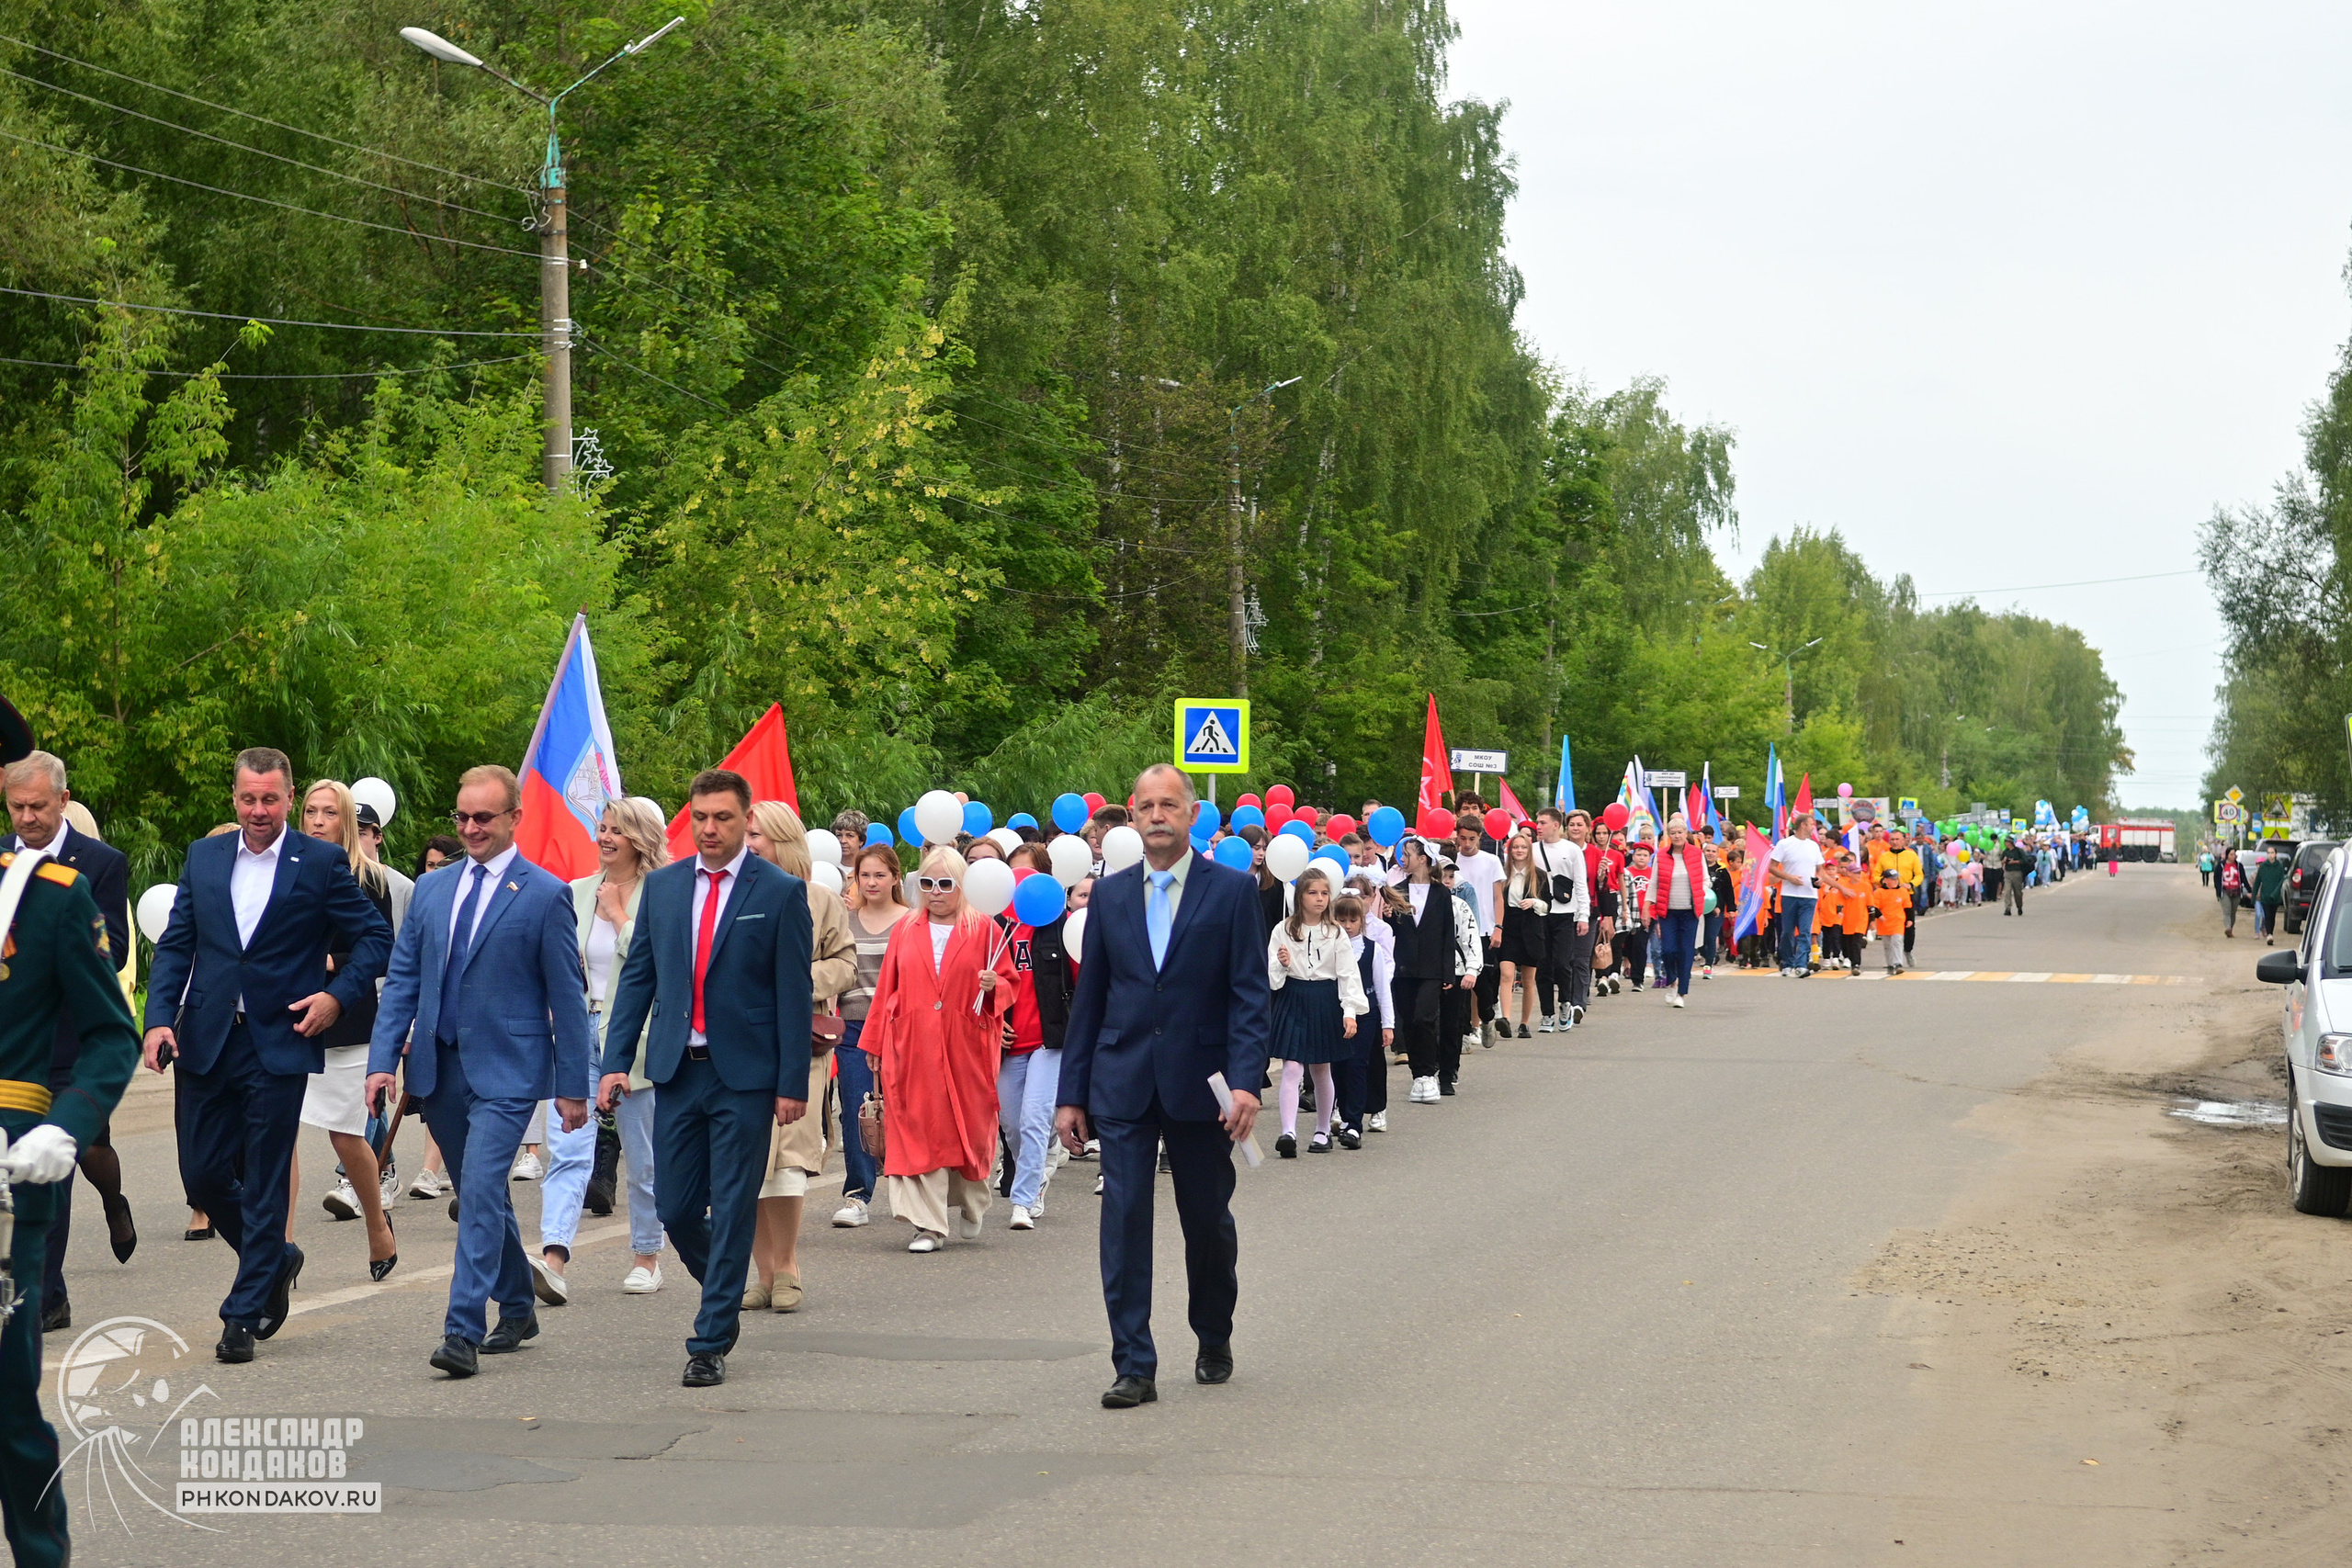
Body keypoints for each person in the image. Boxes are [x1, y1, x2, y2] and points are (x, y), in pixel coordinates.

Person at [143, 747, 392, 1365]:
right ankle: (275, 1257)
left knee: (264, 1180)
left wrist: (337, 998)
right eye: (249, 798)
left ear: (288, 797)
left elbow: (377, 938)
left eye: (271, 799)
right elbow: (176, 945)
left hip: (279, 1042)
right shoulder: (204, 857)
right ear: (235, 797)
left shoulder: (322, 863)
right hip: (207, 1037)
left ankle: (242, 1311)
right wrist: (156, 1021)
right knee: (201, 1173)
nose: (259, 810)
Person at [363, 765, 591, 1379]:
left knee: (485, 1190)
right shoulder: (433, 891)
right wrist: (382, 1060)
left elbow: (567, 996)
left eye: (483, 818)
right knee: (478, 1191)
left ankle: (461, 1329)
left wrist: (573, 1085)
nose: (470, 828)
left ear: (515, 818)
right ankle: (518, 1303)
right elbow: (404, 980)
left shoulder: (544, 894)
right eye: (462, 817)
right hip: (440, 1069)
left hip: (510, 1070)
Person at [1057, 763, 1271, 1410]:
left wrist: (1245, 1083)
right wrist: (1072, 1093)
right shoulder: (1111, 895)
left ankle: (1213, 1332)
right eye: (1146, 805)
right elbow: (1089, 999)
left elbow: (1248, 996)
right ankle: (1134, 1363)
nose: (1157, 815)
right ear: (1132, 811)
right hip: (1121, 1081)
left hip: (1202, 1085)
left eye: (1169, 804)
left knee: (1206, 1221)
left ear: (1189, 814)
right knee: (1123, 1220)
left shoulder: (1232, 892)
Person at [598, 768, 813, 1389]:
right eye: (700, 817)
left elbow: (792, 994)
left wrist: (791, 1081)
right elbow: (637, 975)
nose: (710, 828)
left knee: (735, 1197)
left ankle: (710, 1337)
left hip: (744, 1074)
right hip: (675, 1070)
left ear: (747, 820)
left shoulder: (776, 891)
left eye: (722, 817)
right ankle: (726, 1276)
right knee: (677, 1203)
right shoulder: (664, 888)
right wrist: (617, 1060)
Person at [0, 707, 141, 1568]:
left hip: (16, 1154)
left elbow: (110, 1034)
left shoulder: (52, 899)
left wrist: (67, 1123)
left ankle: (43, 1555)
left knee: (10, 1398)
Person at [4, 750, 132, 1333]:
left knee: (53, 1162)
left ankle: (42, 1287)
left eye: (38, 807)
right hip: (15, 1050)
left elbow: (112, 955)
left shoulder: (98, 865)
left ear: (63, 801)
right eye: (16, 807)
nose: (27, 819)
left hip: (70, 1047)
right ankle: (46, 1290)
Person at [864, 846, 1017, 1251]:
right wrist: (876, 1042)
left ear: (962, 886)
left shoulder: (984, 929)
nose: (935, 892)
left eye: (945, 884)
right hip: (911, 1046)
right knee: (917, 1128)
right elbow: (886, 990)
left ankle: (972, 1202)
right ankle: (927, 1224)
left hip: (966, 1047)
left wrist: (994, 986)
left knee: (967, 1129)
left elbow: (1010, 983)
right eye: (927, 883)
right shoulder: (905, 929)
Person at [741, 800, 855, 1310]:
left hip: (800, 1045)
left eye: (756, 835)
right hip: (739, 1043)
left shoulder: (820, 900)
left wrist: (797, 982)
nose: (747, 844)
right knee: (746, 1160)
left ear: (782, 840)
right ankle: (760, 1273)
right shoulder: (725, 896)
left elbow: (846, 964)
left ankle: (786, 1265)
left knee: (787, 1159)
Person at [295, 779, 410, 1281]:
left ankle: (376, 1224)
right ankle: (280, 1249)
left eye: (329, 813)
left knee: (345, 1137)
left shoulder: (370, 879)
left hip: (347, 1022)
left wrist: (326, 961)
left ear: (346, 821)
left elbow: (378, 947)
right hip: (287, 1019)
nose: (318, 821)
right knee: (276, 1138)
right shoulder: (284, 870)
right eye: (311, 812)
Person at [556, 797, 670, 1298]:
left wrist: (620, 915)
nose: (603, 837)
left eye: (615, 830)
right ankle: (555, 1254)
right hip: (580, 1031)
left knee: (643, 1158)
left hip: (637, 1037)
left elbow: (662, 965)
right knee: (568, 1147)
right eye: (600, 828)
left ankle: (647, 1254)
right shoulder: (577, 892)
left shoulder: (661, 895)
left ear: (640, 838)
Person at [834, 843, 914, 1228]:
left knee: (905, 1110)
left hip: (901, 1029)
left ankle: (912, 1192)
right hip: (852, 1027)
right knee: (856, 1109)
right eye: (864, 875)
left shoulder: (912, 921)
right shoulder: (844, 922)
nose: (871, 882)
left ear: (896, 877)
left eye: (880, 874)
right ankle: (857, 1195)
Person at [1266, 866, 1367, 1156]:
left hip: (1325, 998)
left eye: (1324, 893)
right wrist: (1281, 963)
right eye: (1313, 893)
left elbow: (1348, 974)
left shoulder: (1335, 933)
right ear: (1300, 897)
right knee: (1292, 1066)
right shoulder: (1282, 929)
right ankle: (1288, 1131)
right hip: (1293, 997)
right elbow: (1272, 980)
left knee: (1322, 1067)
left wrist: (1350, 1011)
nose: (1320, 899)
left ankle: (1323, 1131)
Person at [996, 864, 1076, 1229]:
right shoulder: (993, 927)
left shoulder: (1060, 925)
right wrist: (994, 1024)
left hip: (1049, 1041)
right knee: (1011, 1125)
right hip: (1008, 1044)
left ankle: (1023, 1201)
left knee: (1033, 1120)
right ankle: (1035, 1173)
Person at [1330, 892, 1392, 1143]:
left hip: (1365, 1016)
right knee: (1337, 1067)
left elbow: (1382, 988)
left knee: (1357, 1065)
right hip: (1336, 1014)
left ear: (1361, 921)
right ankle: (1342, 1116)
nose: (1347, 926)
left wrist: (1388, 1024)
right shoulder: (1330, 947)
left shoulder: (1372, 950)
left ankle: (1354, 1124)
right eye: (1341, 920)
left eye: (1352, 920)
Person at [1530, 808, 1590, 1032]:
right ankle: (1547, 1014)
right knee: (1543, 965)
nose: (1539, 826)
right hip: (1539, 913)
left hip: (1565, 914)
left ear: (1556, 825)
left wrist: (1583, 915)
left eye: (1543, 822)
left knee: (1563, 963)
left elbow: (1581, 884)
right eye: (1537, 822)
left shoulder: (1572, 850)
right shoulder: (1532, 850)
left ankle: (1565, 1003)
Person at [1451, 819, 1505, 1046]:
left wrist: (1498, 927)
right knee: (1460, 982)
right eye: (1462, 838)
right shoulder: (1451, 861)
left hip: (1482, 929)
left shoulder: (1491, 861)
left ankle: (1487, 1017)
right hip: (1456, 930)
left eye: (1471, 839)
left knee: (1483, 983)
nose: (1467, 844)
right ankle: (1462, 1032)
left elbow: (1497, 897)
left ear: (1480, 836)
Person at [1647, 817, 1706, 1006]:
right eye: (1673, 833)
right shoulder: (1661, 855)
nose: (1677, 836)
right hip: (1668, 911)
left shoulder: (1697, 854)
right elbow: (1654, 883)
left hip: (1690, 911)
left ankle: (1682, 993)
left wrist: (1702, 893)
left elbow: (1705, 879)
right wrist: (1647, 906)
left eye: (1680, 832)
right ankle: (1672, 980)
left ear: (1685, 833)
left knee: (1686, 951)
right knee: (1668, 950)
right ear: (1669, 836)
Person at [1496, 831, 1545, 1036]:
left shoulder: (1539, 875)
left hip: (1531, 928)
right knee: (1506, 974)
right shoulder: (1502, 875)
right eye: (1515, 847)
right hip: (1508, 927)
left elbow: (1547, 905)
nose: (1519, 851)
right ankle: (1505, 1018)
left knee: (1527, 980)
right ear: (1510, 849)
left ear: (1529, 850)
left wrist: (1535, 902)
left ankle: (1524, 1023)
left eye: (1523, 847)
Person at [1766, 813, 1824, 977]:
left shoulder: (1814, 846)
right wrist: (1789, 878)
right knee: (1787, 932)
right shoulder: (1784, 844)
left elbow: (1820, 870)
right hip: (1789, 894)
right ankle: (1787, 962)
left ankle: (1801, 965)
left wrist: (1820, 880)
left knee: (1805, 931)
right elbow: (1772, 867)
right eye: (1811, 824)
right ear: (1803, 825)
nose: (1814, 827)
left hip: (1810, 895)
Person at [1868, 868, 1911, 974]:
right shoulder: (1879, 892)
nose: (1895, 881)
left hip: (1898, 921)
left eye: (1896, 879)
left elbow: (1908, 907)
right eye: (1892, 879)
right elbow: (1875, 906)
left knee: (1897, 941)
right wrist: (1880, 916)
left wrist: (1910, 919)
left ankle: (1898, 963)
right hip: (1885, 922)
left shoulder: (1902, 891)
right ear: (1885, 880)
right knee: (1887, 945)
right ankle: (1890, 964)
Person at [2253, 844, 2290, 945]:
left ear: (2276, 854)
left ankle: (2270, 932)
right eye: (2268, 853)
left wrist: (2275, 893)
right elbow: (2257, 882)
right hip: (2265, 896)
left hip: (2275, 897)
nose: (2270, 855)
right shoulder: (2263, 867)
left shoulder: (2279, 866)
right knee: (2267, 915)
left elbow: (2281, 881)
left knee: (2272, 916)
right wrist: (2253, 896)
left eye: (2272, 853)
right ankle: (2269, 934)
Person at [2000, 834, 2033, 917]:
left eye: (2007, 842)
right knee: (2007, 891)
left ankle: (2019, 906)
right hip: (2008, 872)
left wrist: (2015, 861)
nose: (2006, 844)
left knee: (2017, 892)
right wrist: (2004, 861)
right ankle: (2007, 908)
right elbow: (2001, 860)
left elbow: (2025, 860)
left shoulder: (2018, 851)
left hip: (2017, 872)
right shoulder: (2005, 851)